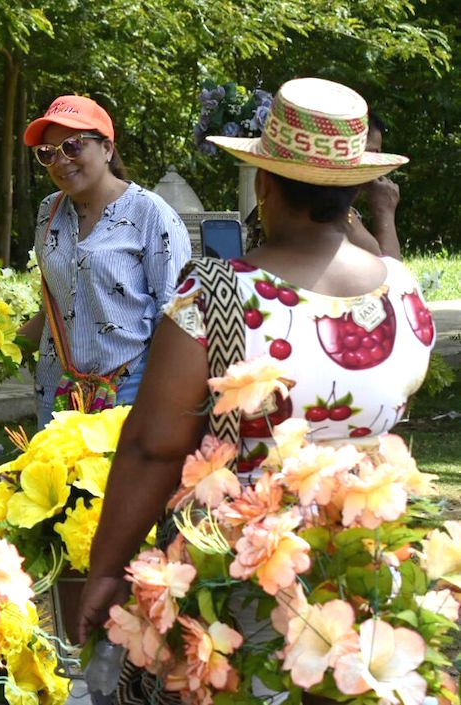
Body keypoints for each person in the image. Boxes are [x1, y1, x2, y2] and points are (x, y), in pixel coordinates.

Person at [75, 76, 431, 653]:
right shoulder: (403, 292)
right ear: (353, 189)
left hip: (242, 585)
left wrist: (108, 569)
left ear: (263, 183)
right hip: (360, 576)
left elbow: (153, 448)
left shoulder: (215, 295)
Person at [19, 95, 192, 429]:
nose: (60, 161)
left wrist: (167, 405)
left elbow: (176, 318)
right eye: (47, 153)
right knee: (51, 483)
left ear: (107, 149)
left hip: (129, 393)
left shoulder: (151, 214)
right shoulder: (49, 212)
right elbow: (58, 307)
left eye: (72, 146)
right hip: (58, 393)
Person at [346, 111, 402, 257]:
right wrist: (385, 212)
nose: (377, 164)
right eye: (372, 153)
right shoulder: (333, 213)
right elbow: (391, 273)